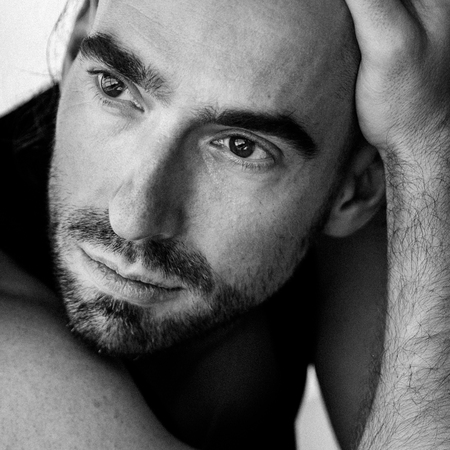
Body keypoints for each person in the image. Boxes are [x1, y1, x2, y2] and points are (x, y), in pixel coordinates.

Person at [1, 0, 449, 449]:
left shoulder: (327, 166)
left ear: (354, 191)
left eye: (240, 147)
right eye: (115, 88)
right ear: (75, 49)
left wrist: (421, 145)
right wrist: (425, 145)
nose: (131, 219)